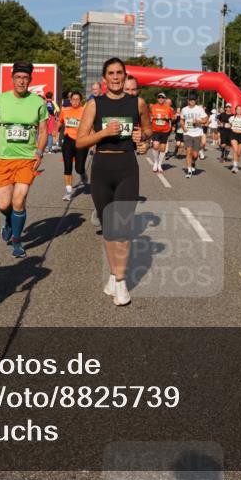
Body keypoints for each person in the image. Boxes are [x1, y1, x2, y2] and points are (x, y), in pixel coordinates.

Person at [76, 57, 151, 306]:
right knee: (110, 229)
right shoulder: (95, 105)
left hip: (127, 167)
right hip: (102, 168)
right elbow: (80, 141)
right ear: (104, 77)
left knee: (123, 227)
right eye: (111, 73)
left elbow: (148, 131)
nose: (116, 77)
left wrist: (143, 140)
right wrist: (104, 133)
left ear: (125, 75)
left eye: (120, 73)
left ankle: (120, 281)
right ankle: (113, 274)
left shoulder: (137, 103)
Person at [0, 61, 48, 259]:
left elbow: (44, 130)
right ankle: (8, 221)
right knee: (4, 205)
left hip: (26, 158)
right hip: (4, 157)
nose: (22, 81)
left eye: (25, 78)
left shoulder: (38, 102)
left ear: (30, 80)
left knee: (19, 200)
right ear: (12, 79)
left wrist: (39, 152)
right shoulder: (1, 100)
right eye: (18, 78)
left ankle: (17, 240)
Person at [58, 91, 89, 200]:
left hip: (82, 141)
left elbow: (91, 125)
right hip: (68, 140)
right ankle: (68, 191)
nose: (75, 101)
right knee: (67, 167)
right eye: (73, 99)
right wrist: (55, 130)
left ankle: (82, 173)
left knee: (79, 168)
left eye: (77, 99)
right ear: (70, 100)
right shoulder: (65, 110)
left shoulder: (85, 111)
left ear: (81, 101)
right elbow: (60, 122)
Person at [180, 93, 208, 178]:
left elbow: (206, 118)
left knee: (195, 155)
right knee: (188, 151)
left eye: (193, 100)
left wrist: (198, 122)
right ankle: (189, 171)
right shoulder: (184, 109)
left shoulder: (199, 109)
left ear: (195, 101)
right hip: (187, 133)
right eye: (190, 100)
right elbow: (181, 120)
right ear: (188, 101)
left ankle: (193, 161)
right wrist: (183, 127)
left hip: (197, 133)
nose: (192, 101)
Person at [148, 92, 174, 173]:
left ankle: (159, 164)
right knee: (155, 146)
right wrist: (150, 118)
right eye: (159, 97)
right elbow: (148, 116)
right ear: (157, 98)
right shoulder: (153, 107)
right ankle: (155, 162)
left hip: (165, 130)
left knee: (162, 149)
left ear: (164, 99)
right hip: (155, 130)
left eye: (162, 97)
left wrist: (169, 117)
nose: (160, 99)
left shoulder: (168, 108)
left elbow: (173, 117)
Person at [226, 105, 241, 174]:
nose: (238, 110)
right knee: (235, 150)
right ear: (235, 110)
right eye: (237, 109)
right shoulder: (231, 118)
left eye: (240, 109)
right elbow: (229, 125)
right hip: (233, 134)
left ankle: (236, 163)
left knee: (239, 153)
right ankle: (235, 166)